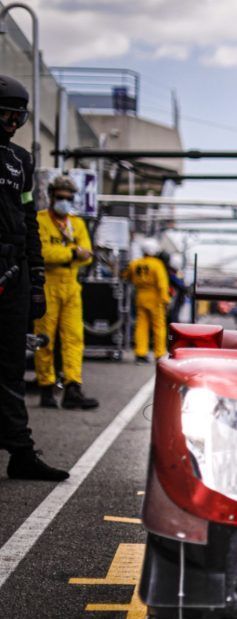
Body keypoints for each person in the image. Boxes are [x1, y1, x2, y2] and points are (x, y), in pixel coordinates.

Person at [0, 74, 68, 480]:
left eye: (19, 117)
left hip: (15, 274)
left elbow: (28, 221)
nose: (13, 123)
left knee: (11, 367)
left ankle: (20, 453)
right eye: (7, 114)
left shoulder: (20, 161)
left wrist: (37, 278)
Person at [34, 175, 99, 410]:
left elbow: (88, 254)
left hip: (71, 286)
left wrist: (70, 254)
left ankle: (73, 387)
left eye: (69, 198)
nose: (65, 201)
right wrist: (72, 253)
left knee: (74, 339)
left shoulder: (76, 223)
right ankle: (46, 388)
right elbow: (42, 253)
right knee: (45, 339)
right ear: (51, 196)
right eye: (61, 197)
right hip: (47, 286)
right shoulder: (40, 220)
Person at [123, 238, 170, 363]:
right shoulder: (157, 264)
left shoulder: (135, 263)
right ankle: (159, 354)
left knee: (141, 326)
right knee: (158, 327)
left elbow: (125, 275)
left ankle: (140, 353)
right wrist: (165, 300)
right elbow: (162, 284)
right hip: (155, 298)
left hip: (140, 296)